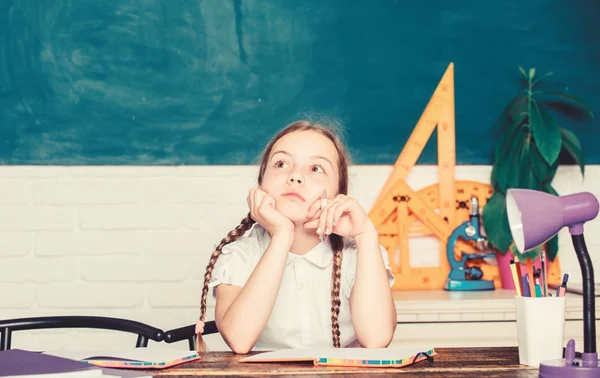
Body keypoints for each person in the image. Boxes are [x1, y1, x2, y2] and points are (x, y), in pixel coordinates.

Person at [195, 119, 397, 354]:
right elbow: (239, 339)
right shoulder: (239, 254)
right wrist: (282, 234)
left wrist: (366, 234)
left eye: (315, 168)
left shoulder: (361, 252)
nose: (295, 177)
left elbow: (377, 339)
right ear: (261, 185)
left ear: (338, 193)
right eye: (281, 164)